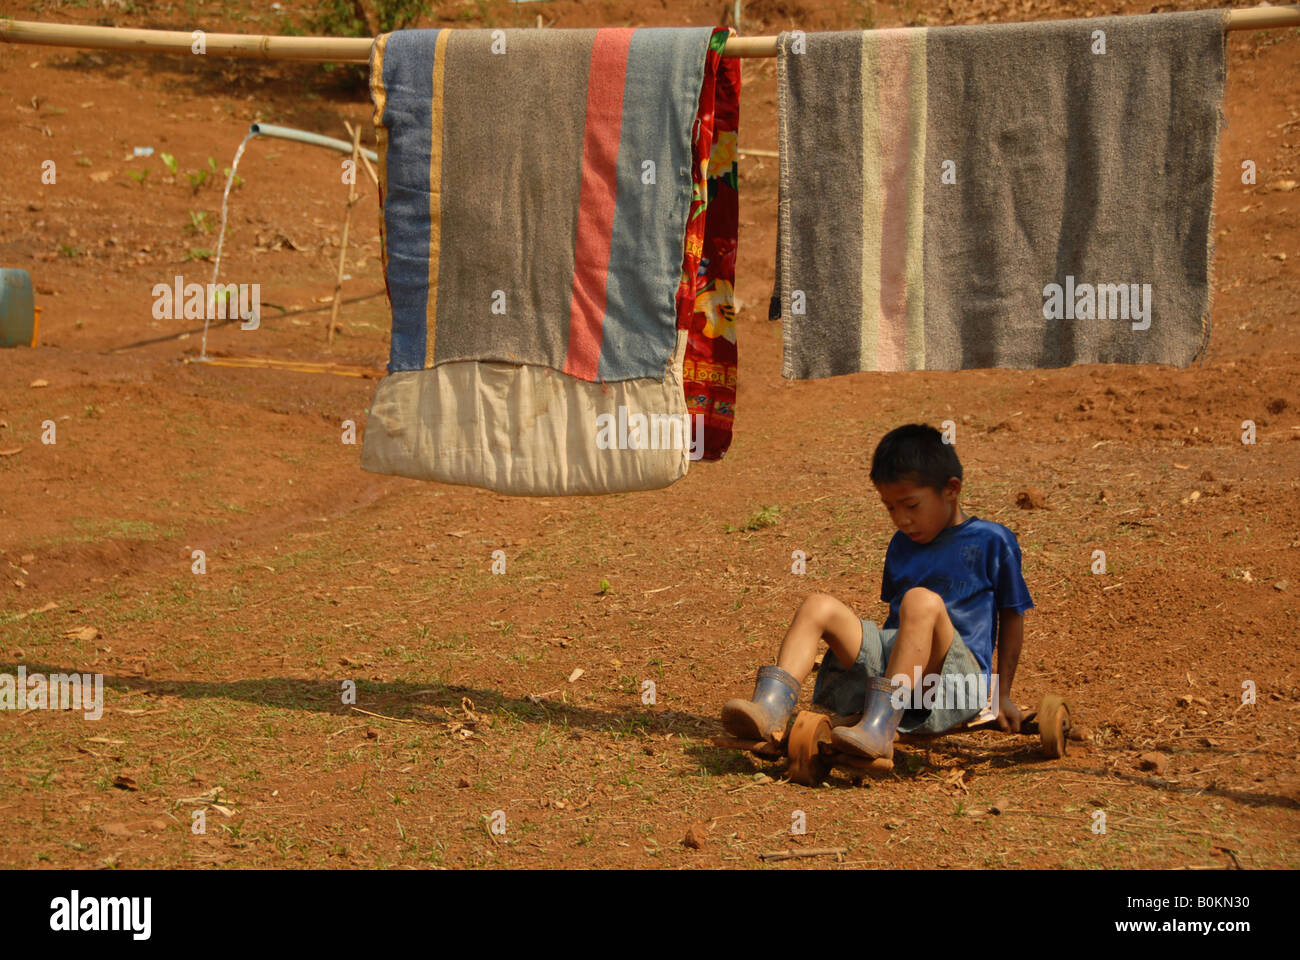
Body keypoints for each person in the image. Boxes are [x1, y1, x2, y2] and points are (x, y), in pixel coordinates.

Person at [721, 423, 1034, 759]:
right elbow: (897, 627)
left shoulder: (992, 540)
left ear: (951, 489)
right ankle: (770, 709)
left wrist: (1000, 695)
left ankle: (880, 727)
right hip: (899, 667)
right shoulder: (902, 545)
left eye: (911, 505)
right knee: (818, 605)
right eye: (890, 507)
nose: (901, 519)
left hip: (956, 683)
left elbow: (1012, 617)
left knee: (920, 600)